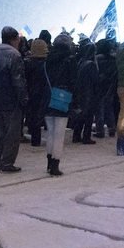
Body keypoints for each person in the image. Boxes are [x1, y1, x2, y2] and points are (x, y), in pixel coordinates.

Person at [0, 26, 27, 172]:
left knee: (1, 132)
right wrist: (23, 99)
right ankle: (7, 162)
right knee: (12, 134)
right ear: (14, 40)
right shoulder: (14, 56)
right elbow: (18, 81)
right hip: (11, 100)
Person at [43, 32, 77, 176]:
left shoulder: (47, 60)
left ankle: (49, 162)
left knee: (50, 133)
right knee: (59, 134)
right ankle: (55, 164)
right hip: (63, 98)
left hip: (48, 98)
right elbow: (74, 81)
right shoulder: (70, 60)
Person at [23, 38, 48, 145]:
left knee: (32, 114)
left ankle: (34, 138)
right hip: (43, 92)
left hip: (30, 91)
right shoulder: (46, 63)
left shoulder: (27, 63)